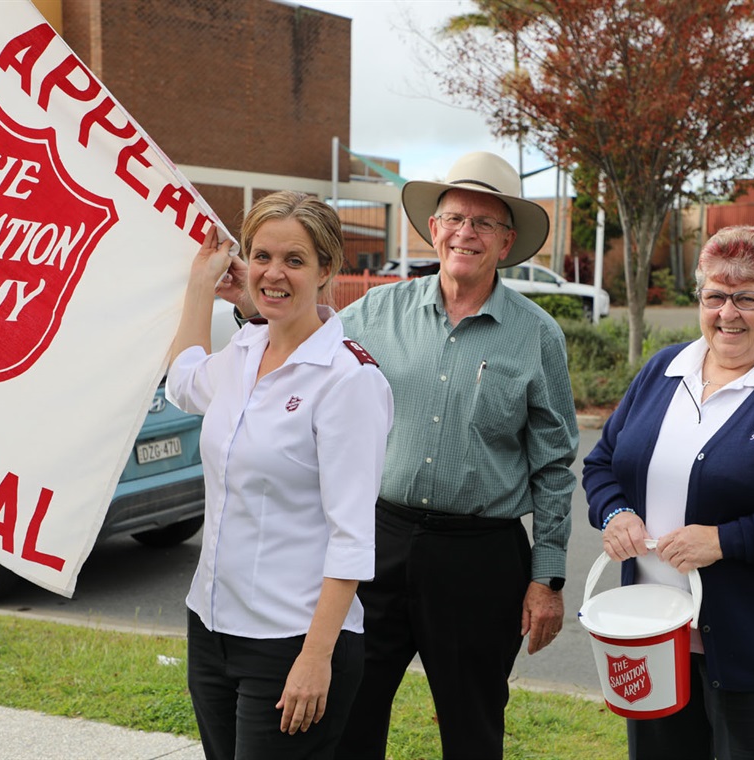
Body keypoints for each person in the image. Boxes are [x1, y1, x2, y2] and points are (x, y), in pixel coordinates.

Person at [583, 225, 754, 760]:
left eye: (746, 297)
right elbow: (602, 463)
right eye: (715, 296)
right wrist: (616, 512)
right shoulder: (664, 371)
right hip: (657, 638)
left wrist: (725, 541)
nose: (727, 313)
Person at [333, 151, 578, 759]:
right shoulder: (372, 313)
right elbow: (300, 355)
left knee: (472, 730)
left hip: (480, 559)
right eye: (455, 218)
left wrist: (546, 580)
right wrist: (244, 304)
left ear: (506, 241)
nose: (466, 232)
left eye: (483, 223)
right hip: (378, 545)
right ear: (433, 227)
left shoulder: (537, 335)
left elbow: (553, 465)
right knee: (349, 713)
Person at [165, 191, 393, 760]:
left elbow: (352, 537)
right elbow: (182, 380)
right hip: (211, 627)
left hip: (292, 642)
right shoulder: (244, 349)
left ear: (327, 270)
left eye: (294, 260)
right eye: (262, 256)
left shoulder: (347, 379)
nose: (274, 273)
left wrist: (317, 657)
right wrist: (201, 287)